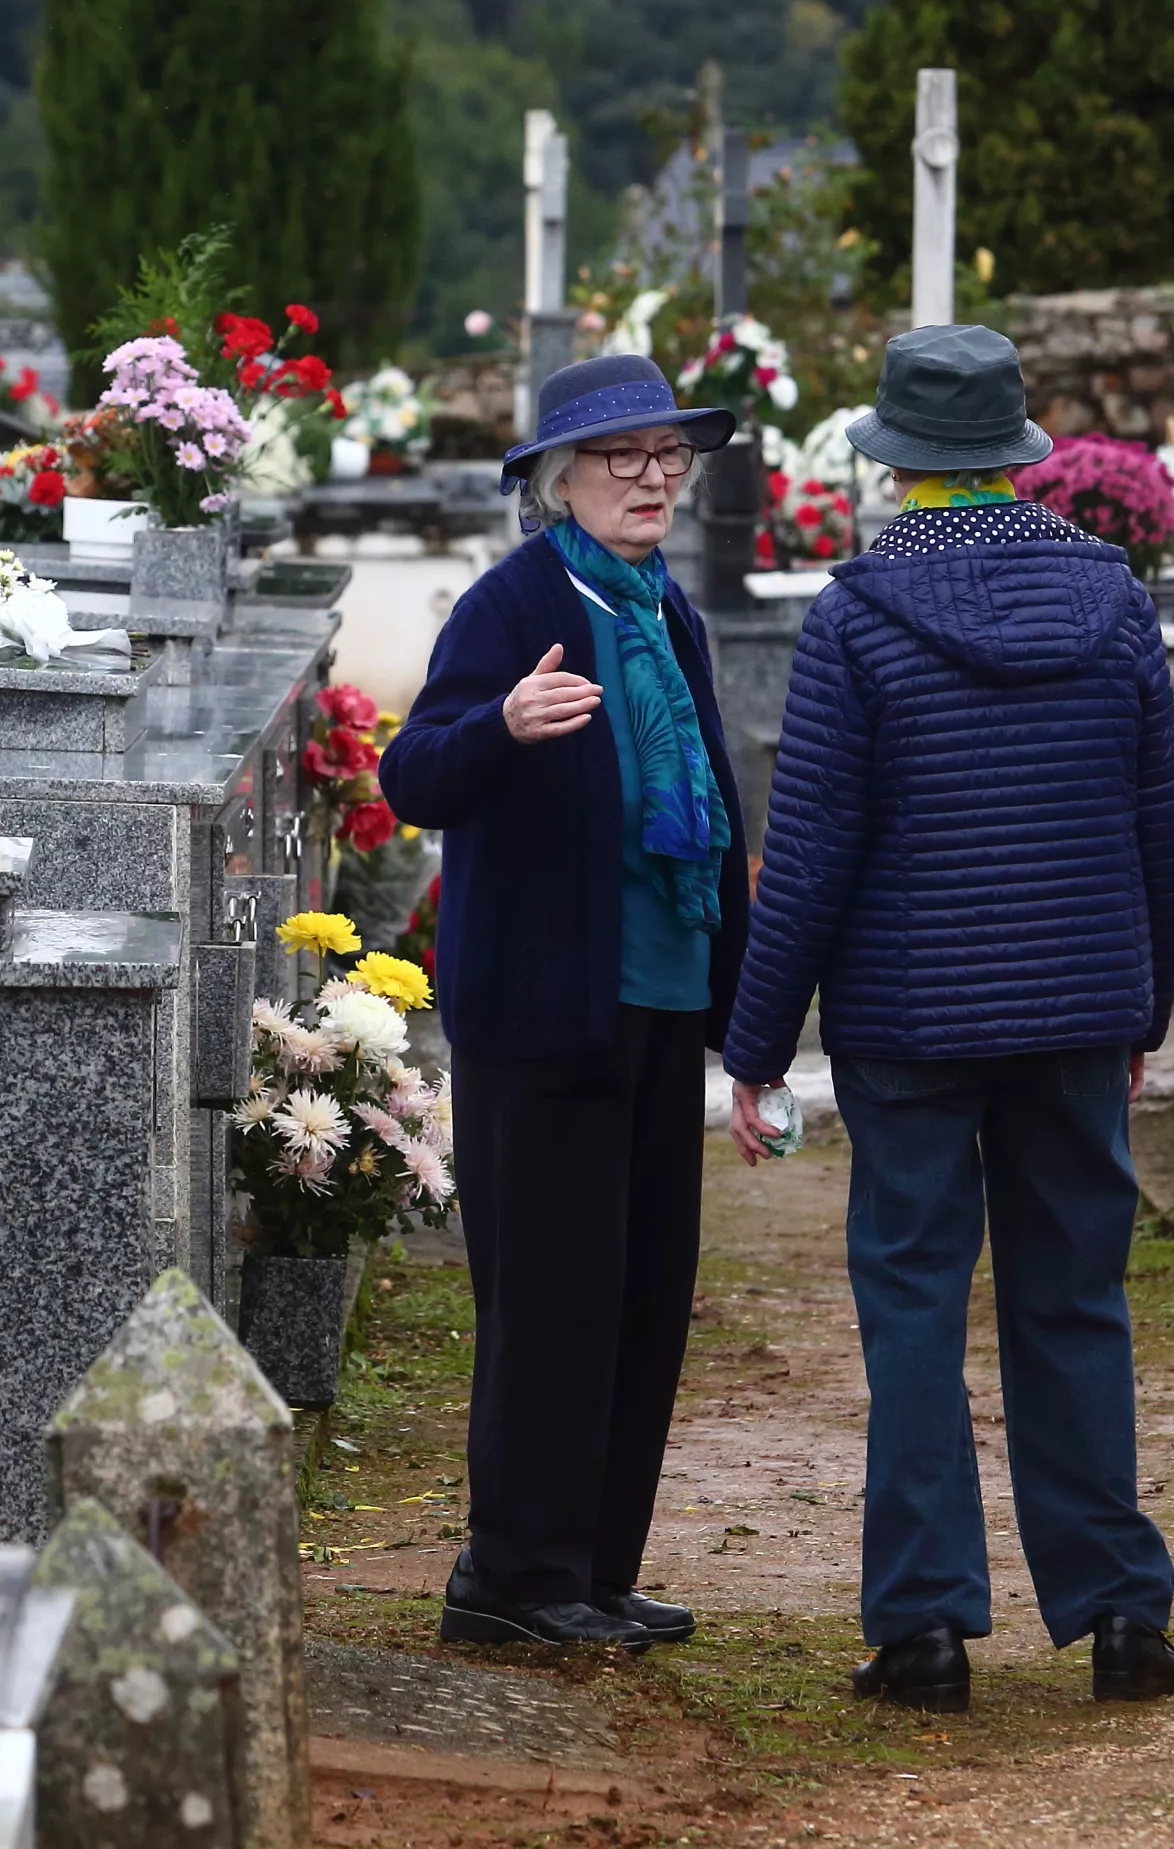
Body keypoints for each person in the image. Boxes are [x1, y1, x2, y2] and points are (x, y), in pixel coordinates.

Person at [719, 321, 1174, 1712]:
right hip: (1073, 1015)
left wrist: (755, 1050)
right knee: (1076, 1298)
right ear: (1017, 458)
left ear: (896, 464)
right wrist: (1143, 1005)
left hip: (910, 1025)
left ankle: (923, 1626)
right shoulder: (1112, 605)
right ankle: (1120, 1616)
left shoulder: (858, 621)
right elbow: (1162, 823)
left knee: (915, 1308)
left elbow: (807, 856)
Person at [377, 354, 754, 1651]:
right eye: (621, 456)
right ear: (559, 480)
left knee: (643, 1293)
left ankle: (592, 1566)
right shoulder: (512, 604)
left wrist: (737, 1004)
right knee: (548, 1302)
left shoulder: (666, 610)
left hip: (656, 1002)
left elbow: (712, 801)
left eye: (668, 456)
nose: (652, 477)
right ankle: (512, 1579)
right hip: (542, 1017)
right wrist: (505, 728)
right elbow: (409, 775)